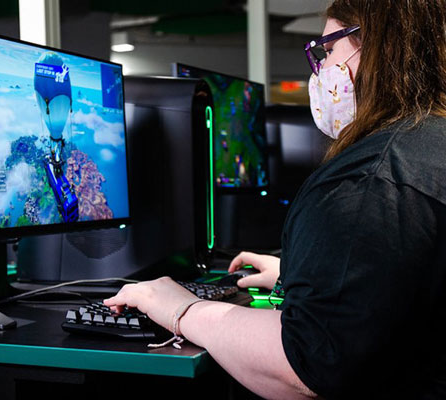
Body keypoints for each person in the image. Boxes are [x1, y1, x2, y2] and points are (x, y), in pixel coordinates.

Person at [104, 0, 446, 398]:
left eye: (328, 49)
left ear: (375, 46)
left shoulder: (371, 181)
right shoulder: (428, 147)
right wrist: (303, 271)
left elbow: (304, 366)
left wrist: (183, 309)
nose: (319, 68)